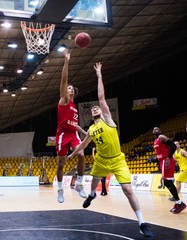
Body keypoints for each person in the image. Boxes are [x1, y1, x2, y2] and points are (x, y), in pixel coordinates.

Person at [67, 62, 153, 238]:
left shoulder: (108, 119)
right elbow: (83, 144)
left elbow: (101, 96)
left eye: (97, 107)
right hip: (101, 160)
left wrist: (99, 75)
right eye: (93, 109)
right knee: (93, 182)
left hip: (117, 160)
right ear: (91, 115)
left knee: (128, 191)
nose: (95, 108)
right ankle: (91, 195)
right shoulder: (91, 129)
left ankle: (142, 223)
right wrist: (73, 154)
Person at [55, 48, 87, 203]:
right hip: (62, 135)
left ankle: (79, 184)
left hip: (73, 134)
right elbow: (64, 80)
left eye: (71, 88)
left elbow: (74, 124)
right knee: (61, 164)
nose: (69, 88)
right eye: (67, 88)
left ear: (74, 92)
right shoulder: (64, 101)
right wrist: (66, 62)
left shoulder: (74, 106)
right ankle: (60, 189)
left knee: (81, 155)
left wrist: (85, 132)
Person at [152, 127, 187, 214]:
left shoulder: (162, 137)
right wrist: (155, 159)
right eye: (154, 129)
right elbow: (162, 151)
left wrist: (168, 157)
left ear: (160, 131)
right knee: (168, 182)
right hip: (162, 161)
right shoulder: (155, 141)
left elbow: (173, 146)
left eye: (157, 129)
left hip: (166, 161)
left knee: (167, 182)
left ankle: (179, 203)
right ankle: (178, 203)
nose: (155, 129)